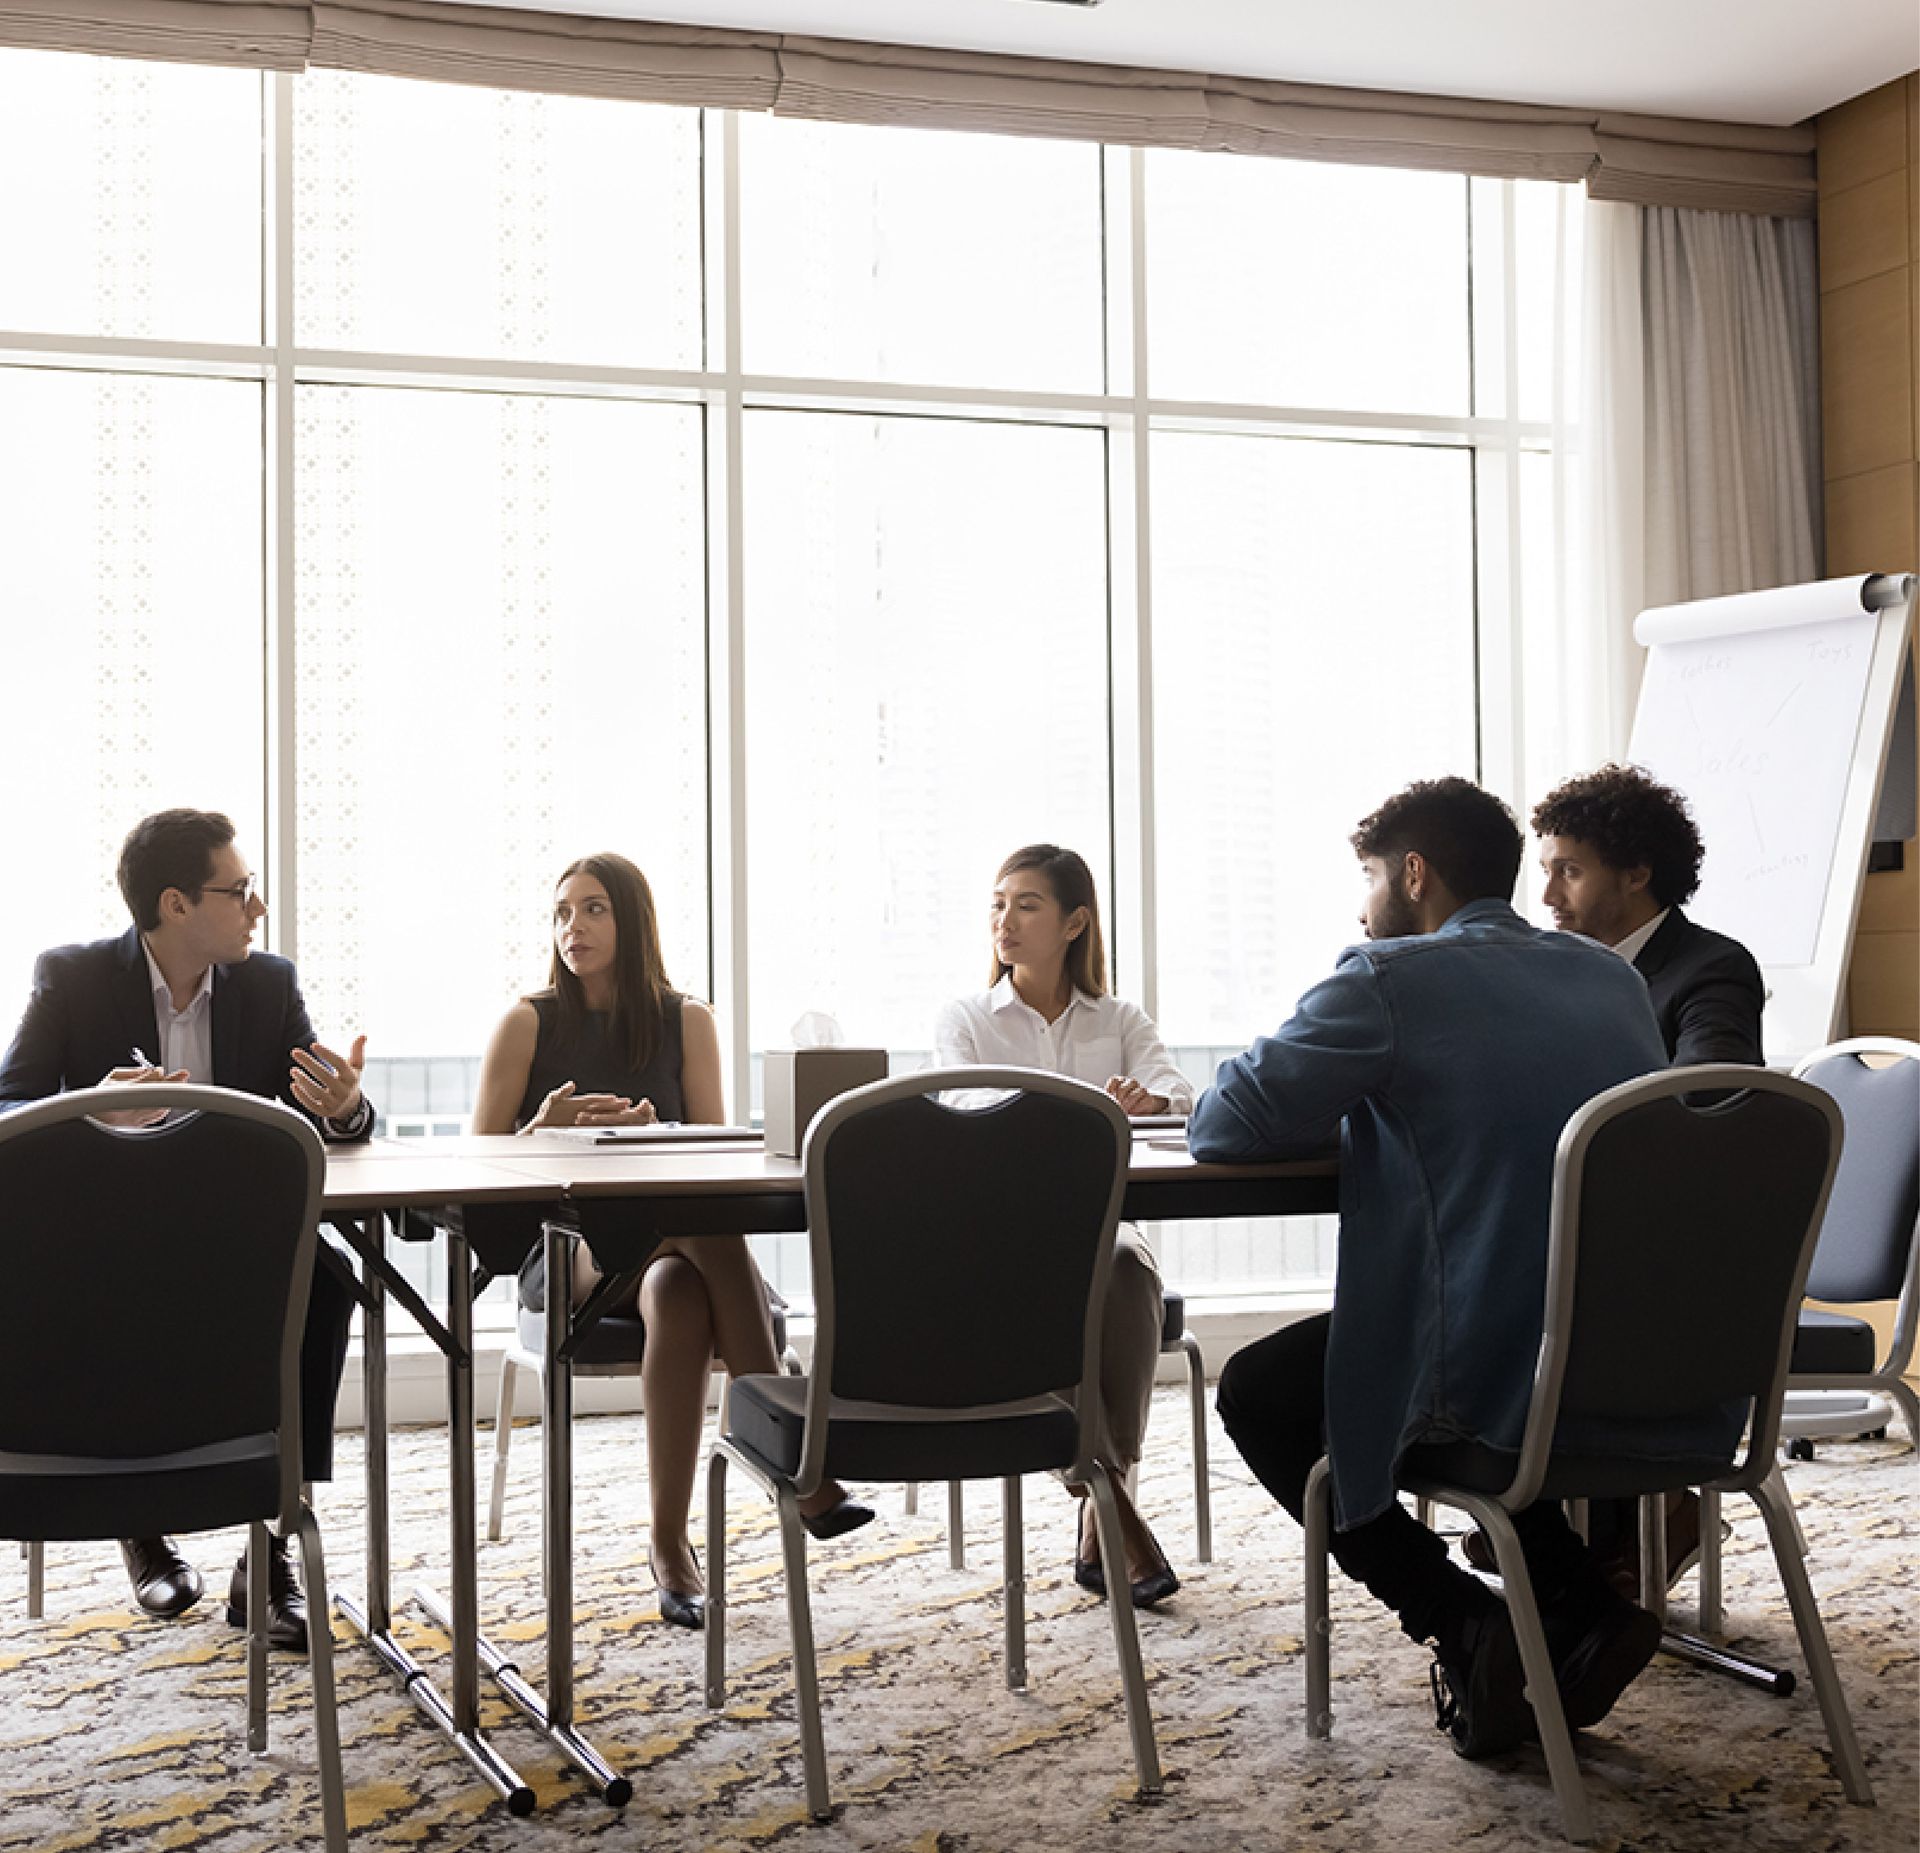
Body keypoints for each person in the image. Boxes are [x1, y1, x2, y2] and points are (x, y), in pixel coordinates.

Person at [1194, 778, 1694, 1759]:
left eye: (1370, 879)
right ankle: (1583, 1602)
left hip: (1492, 1366)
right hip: (1613, 1356)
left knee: (1261, 1390)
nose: (1363, 905)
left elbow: (1226, 1120)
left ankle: (1459, 1617)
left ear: (1412, 873)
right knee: (1484, 1317)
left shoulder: (1387, 978)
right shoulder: (1611, 979)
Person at [0, 808, 372, 1651]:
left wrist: (348, 1107)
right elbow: (8, 1106)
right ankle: (141, 1521)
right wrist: (90, 1104)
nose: (256, 906)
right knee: (118, 1293)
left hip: (231, 1248)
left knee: (327, 1276)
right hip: (103, 1245)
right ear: (175, 904)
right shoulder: (73, 977)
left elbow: (330, 1108)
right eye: (239, 890)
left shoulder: (269, 986)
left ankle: (270, 1541)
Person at [470, 853, 871, 1630]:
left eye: (592, 909)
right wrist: (541, 1132)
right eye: (561, 912)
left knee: (679, 1293)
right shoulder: (528, 1020)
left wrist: (662, 1136)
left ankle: (668, 1545)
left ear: (632, 919)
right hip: (569, 1248)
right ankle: (797, 1459)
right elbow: (477, 1164)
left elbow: (717, 1156)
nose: (571, 928)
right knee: (700, 1228)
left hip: (669, 1251)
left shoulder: (688, 1019)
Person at [932, 844, 1190, 1608]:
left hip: (1103, 1226)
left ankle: (1102, 1492)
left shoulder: (1119, 1019)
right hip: (1001, 1238)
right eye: (997, 903)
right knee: (1054, 1276)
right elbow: (958, 1108)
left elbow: (1175, 1090)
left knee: (1125, 1264)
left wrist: (1147, 1098)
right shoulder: (967, 1020)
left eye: (1026, 904)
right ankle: (1109, 1495)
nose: (1003, 920)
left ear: (1075, 922)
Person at [1529, 762, 1766, 1592]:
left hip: (1674, 1248)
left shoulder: (1709, 967)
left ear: (1637, 872)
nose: (1549, 890)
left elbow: (1713, 1084)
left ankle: (1621, 1504)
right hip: (1594, 1224)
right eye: (1546, 865)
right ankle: (1550, 1512)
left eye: (1570, 867)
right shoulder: (1562, 971)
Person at [1533, 763, 1764, 1066]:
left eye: (1570, 872)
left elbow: (1708, 1095)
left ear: (1636, 876)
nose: (1548, 897)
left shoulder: (1715, 969)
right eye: (1547, 872)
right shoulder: (1554, 972)